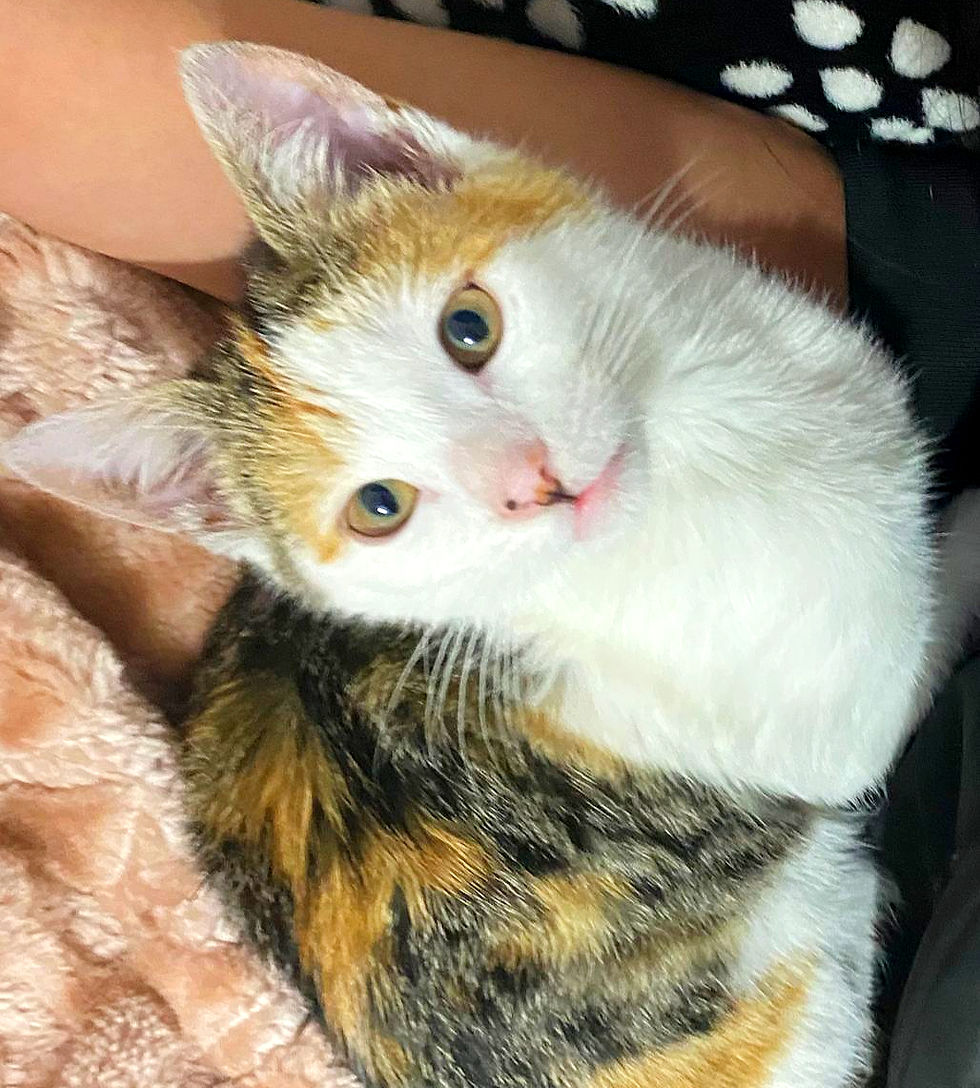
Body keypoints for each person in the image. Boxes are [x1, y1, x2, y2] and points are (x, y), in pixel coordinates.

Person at [0, 1, 977, 1083]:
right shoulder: (710, 601)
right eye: (381, 505)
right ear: (241, 534)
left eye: (471, 330)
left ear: (422, 158)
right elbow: (846, 753)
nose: (525, 477)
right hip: (699, 1016)